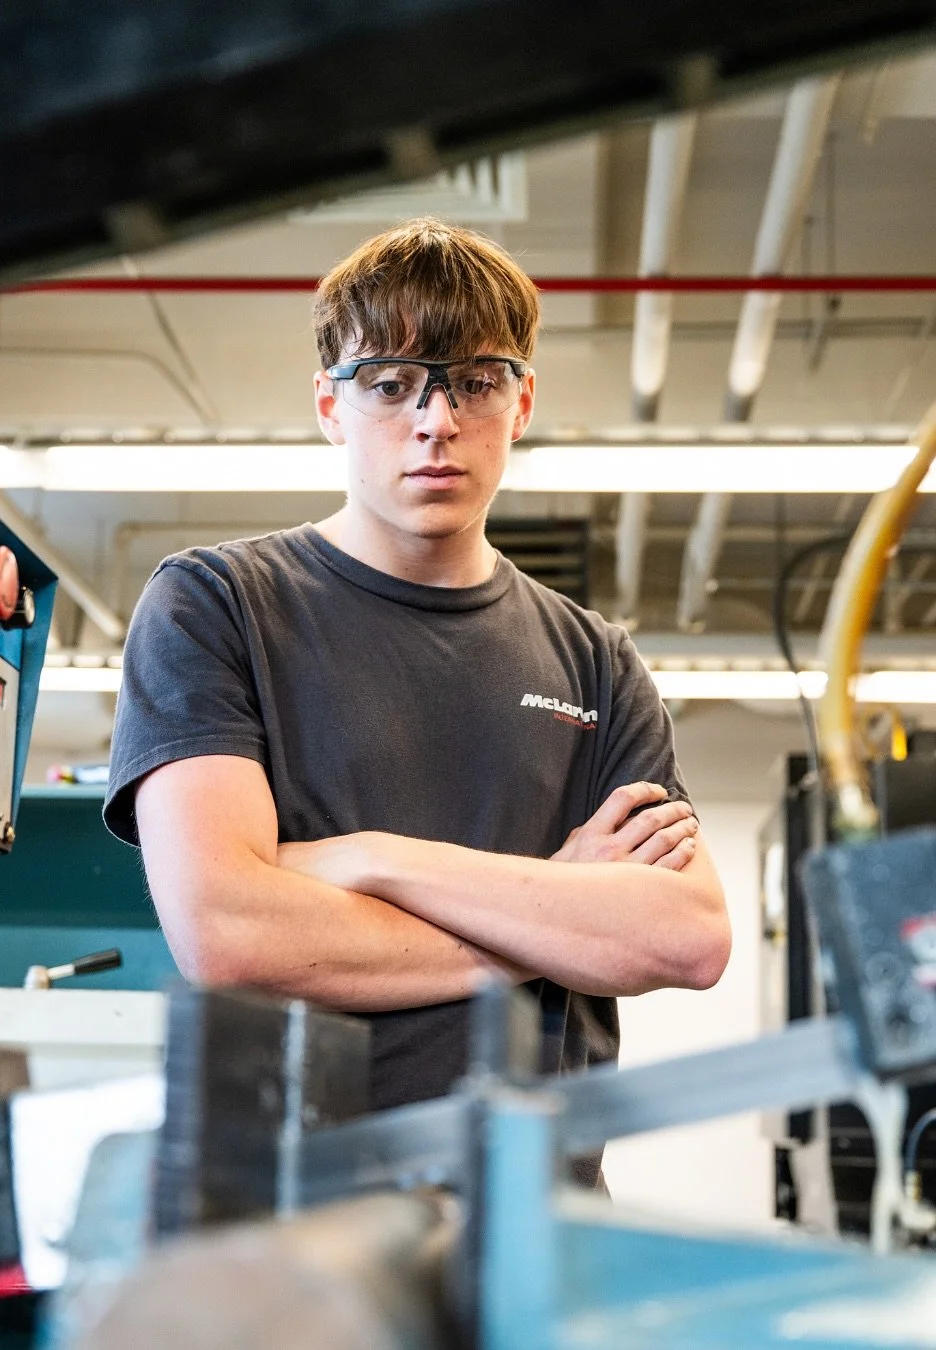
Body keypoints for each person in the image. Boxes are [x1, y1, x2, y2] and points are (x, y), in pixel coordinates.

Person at [103, 219, 730, 1187]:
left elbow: (685, 937)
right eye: (390, 384)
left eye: (473, 381)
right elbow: (229, 935)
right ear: (329, 406)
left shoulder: (598, 665)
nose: (434, 420)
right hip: (301, 1240)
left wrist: (370, 860)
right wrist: (553, 906)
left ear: (520, 404)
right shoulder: (216, 608)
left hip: (536, 1235)